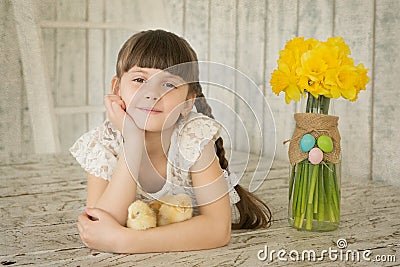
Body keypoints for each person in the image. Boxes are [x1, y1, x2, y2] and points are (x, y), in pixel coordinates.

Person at [70, 29, 271, 253]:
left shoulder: (192, 137)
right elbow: (99, 228)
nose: (151, 93)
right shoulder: (103, 143)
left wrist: (125, 241)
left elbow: (217, 229)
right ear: (117, 89)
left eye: (168, 85)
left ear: (187, 103)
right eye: (139, 79)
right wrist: (133, 143)